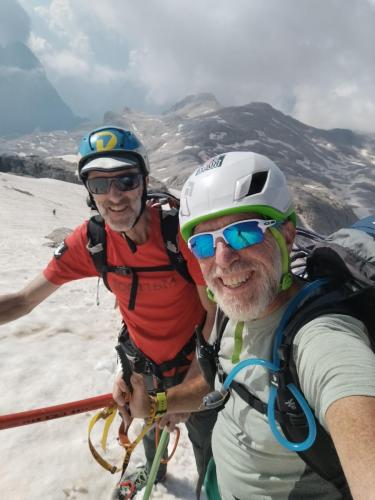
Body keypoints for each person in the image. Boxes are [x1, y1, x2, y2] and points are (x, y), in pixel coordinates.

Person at [123, 151, 375, 499]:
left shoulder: (321, 340)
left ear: (286, 234)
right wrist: (155, 405)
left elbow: (351, 399)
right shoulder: (232, 309)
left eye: (243, 234)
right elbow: (222, 379)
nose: (223, 260)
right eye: (203, 243)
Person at [0, 126, 217, 497]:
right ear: (88, 192)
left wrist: (188, 389)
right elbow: (23, 300)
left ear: (144, 182)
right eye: (99, 184)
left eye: (126, 180)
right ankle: (153, 470)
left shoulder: (179, 235)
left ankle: (212, 487)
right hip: (144, 367)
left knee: (211, 452)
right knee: (149, 427)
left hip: (197, 362)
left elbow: (214, 315)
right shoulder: (92, 242)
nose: (113, 196)